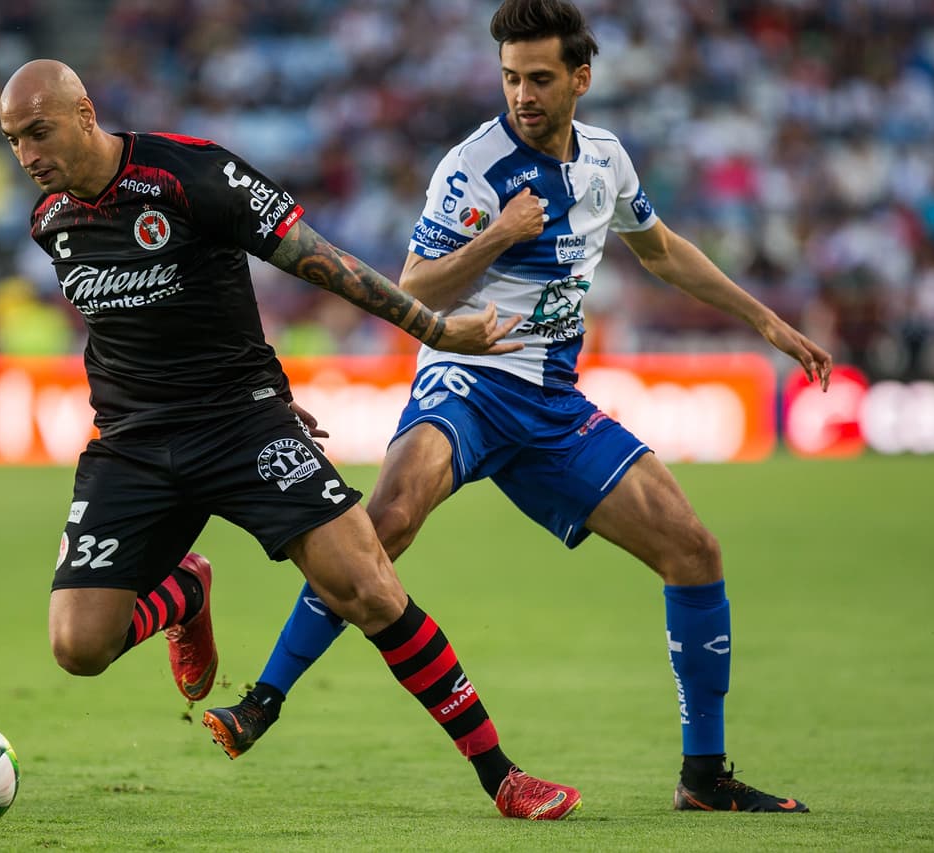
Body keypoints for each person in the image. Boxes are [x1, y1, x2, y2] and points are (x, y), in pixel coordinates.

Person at [203, 0, 831, 814]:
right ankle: (263, 700)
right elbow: (412, 285)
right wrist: (498, 234)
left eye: (539, 78)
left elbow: (663, 250)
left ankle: (703, 776)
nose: (522, 95)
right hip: (466, 383)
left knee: (694, 551)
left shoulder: (607, 159)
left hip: (554, 409)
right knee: (386, 519)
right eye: (509, 78)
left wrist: (766, 319)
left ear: (581, 78)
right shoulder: (472, 166)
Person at [0, 58, 584, 821]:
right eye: (13, 141)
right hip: (132, 444)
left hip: (240, 425)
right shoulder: (50, 222)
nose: (27, 155)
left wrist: (435, 329)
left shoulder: (192, 174)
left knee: (368, 585)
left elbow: (324, 263)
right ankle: (184, 591)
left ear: (84, 114)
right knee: (78, 647)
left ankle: (502, 776)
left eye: (38, 132)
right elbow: (132, 333)